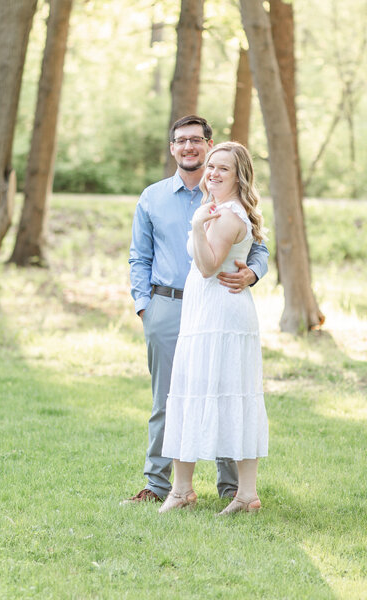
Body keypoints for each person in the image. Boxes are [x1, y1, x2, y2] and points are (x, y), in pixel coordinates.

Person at [125, 116, 269, 504]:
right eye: (180, 141)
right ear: (172, 148)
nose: (188, 147)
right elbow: (138, 257)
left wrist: (252, 274)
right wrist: (145, 307)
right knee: (169, 399)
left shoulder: (220, 196)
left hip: (217, 306)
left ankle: (229, 487)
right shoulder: (152, 197)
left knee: (221, 391)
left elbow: (258, 248)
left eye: (196, 141)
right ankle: (158, 485)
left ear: (208, 145)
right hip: (167, 306)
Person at [159, 141, 268, 515]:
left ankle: (215, 492)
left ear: (239, 175)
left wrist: (193, 227)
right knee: (217, 392)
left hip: (219, 315)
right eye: (211, 166)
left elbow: (207, 267)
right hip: (209, 312)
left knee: (211, 392)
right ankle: (204, 491)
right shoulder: (221, 209)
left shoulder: (227, 215)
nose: (213, 173)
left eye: (224, 168)